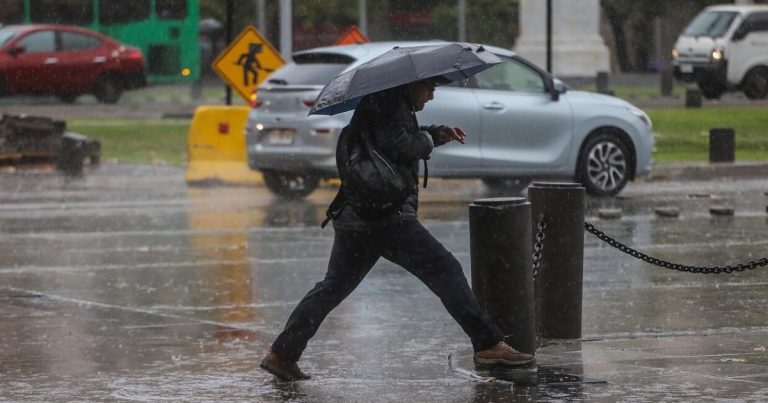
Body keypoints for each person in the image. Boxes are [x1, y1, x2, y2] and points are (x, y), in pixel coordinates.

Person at [260, 77, 533, 382]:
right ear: (412, 83)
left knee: (332, 288)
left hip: (357, 215)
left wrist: (434, 134)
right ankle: (488, 343)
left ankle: (282, 353)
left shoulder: (385, 101)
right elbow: (400, 145)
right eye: (429, 88)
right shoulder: (390, 104)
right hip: (386, 217)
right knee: (446, 270)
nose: (431, 96)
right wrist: (429, 141)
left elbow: (391, 139)